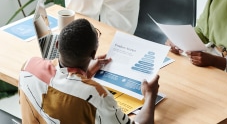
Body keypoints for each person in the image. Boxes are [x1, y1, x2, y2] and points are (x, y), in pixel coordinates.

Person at [19, 18, 160, 123]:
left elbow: (58, 87)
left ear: (57, 45)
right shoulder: (96, 94)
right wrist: (150, 96)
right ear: (93, 54)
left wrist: (85, 74)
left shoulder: (28, 66)